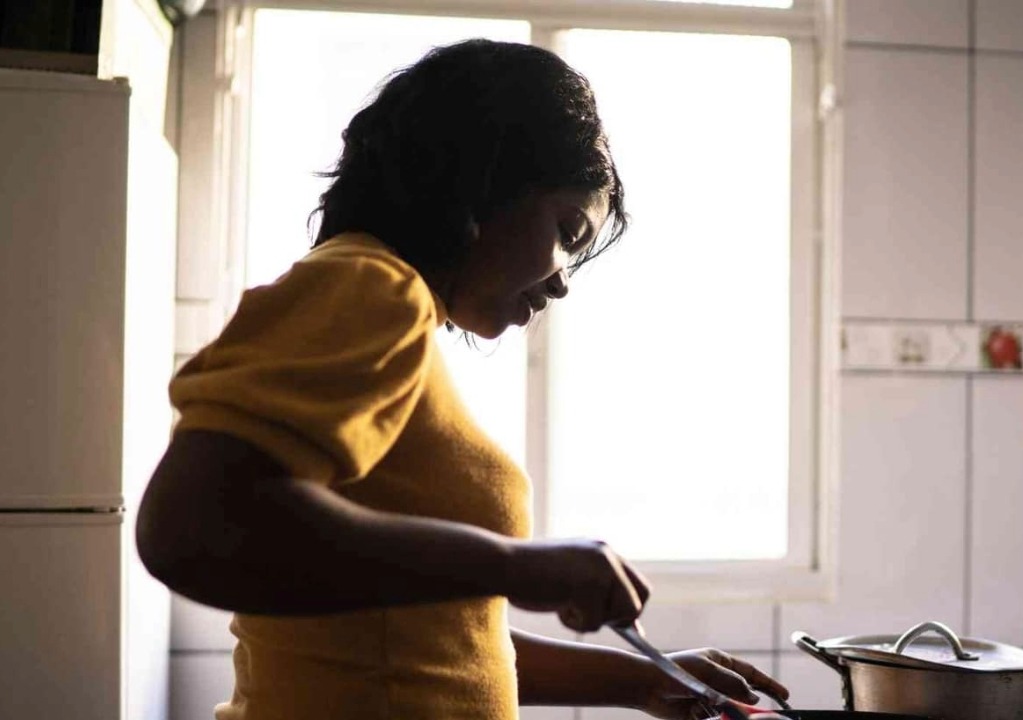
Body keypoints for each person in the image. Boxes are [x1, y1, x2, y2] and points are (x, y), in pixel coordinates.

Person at [136, 38, 790, 720]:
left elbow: (437, 640)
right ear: (485, 179)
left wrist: (641, 679)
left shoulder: (385, 312)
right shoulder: (370, 285)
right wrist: (519, 564)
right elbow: (191, 523)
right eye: (567, 229)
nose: (563, 281)